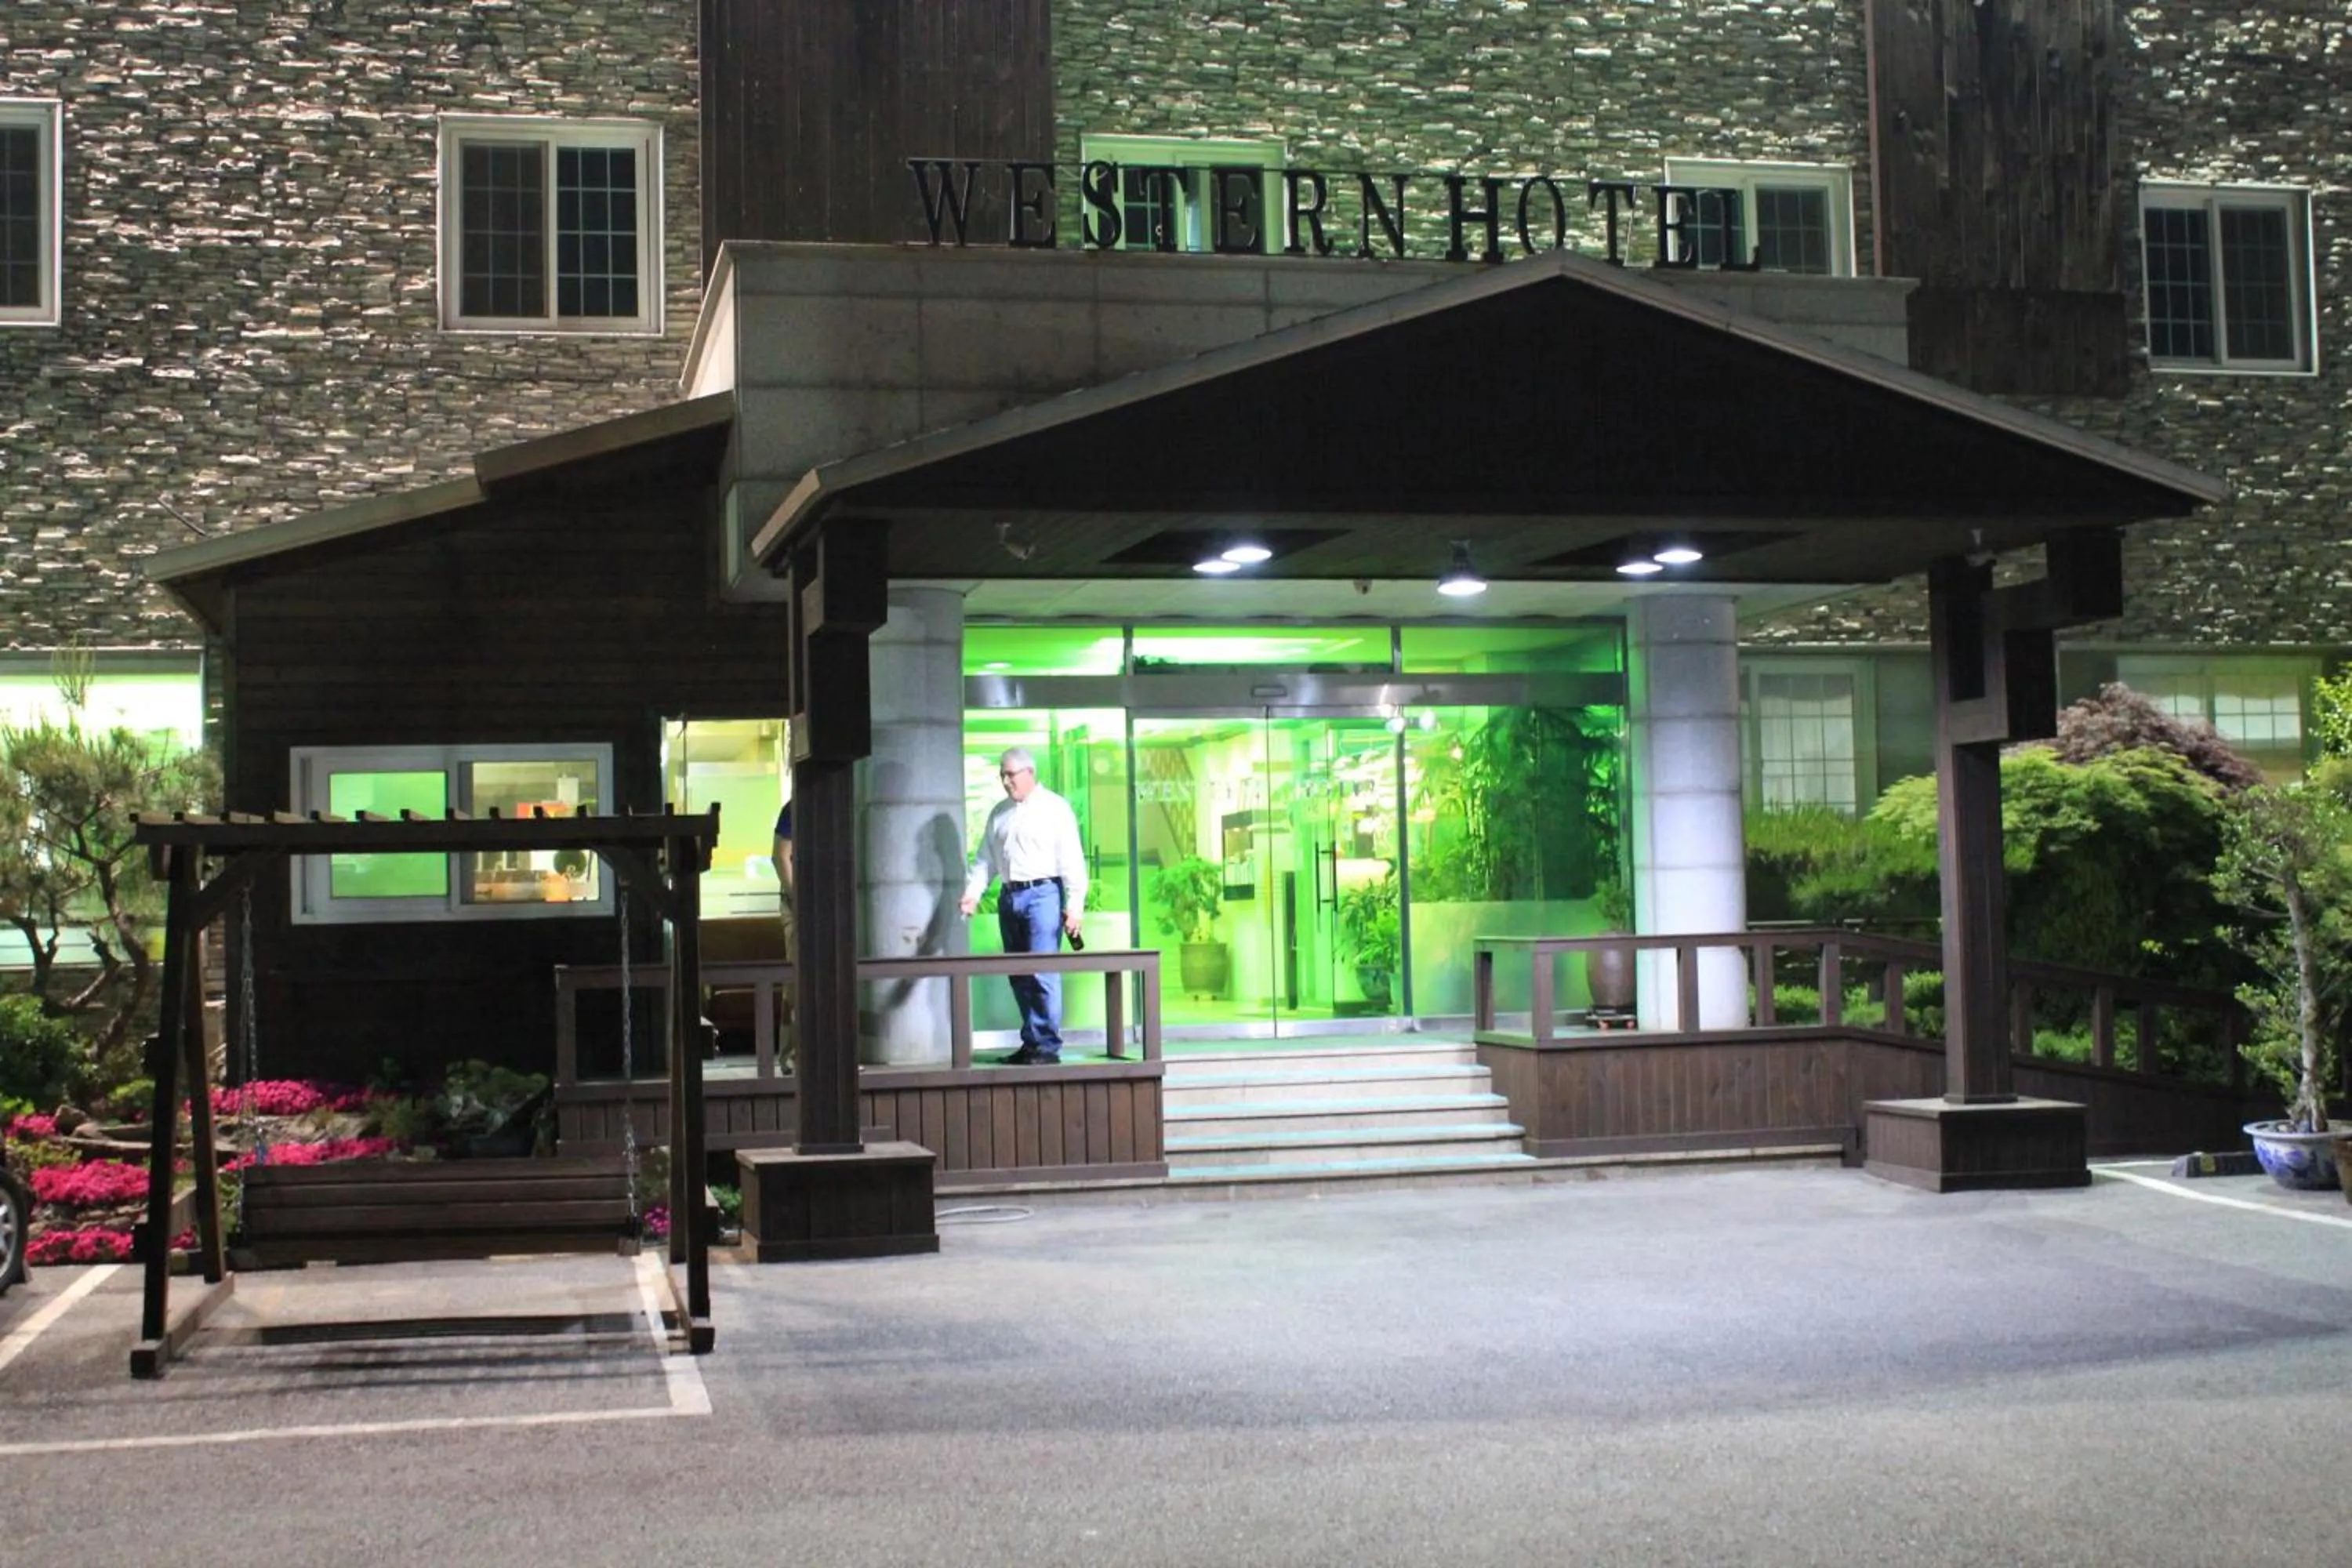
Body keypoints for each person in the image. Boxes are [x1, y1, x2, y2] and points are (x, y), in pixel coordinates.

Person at [960, 747, 1087, 1065]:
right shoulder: (999, 813)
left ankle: (1046, 1046)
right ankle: (1032, 1042)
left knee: (1042, 970)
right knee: (1017, 973)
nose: (1005, 781)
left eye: (1010, 774)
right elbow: (985, 860)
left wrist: (1075, 906)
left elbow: (1071, 859)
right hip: (1009, 895)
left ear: (1030, 773)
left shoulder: (1055, 809)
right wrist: (973, 893)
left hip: (1044, 893)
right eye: (1002, 774)